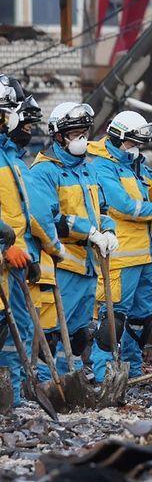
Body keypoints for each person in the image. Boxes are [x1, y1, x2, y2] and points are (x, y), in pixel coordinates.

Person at [27, 102, 119, 379]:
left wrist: (110, 230)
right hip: (62, 264)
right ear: (57, 136)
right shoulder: (43, 172)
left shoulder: (87, 169)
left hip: (89, 264)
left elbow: (101, 209)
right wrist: (89, 231)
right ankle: (48, 381)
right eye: (74, 133)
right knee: (54, 331)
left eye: (83, 132)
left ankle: (75, 377)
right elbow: (47, 220)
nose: (81, 139)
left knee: (79, 334)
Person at [87, 110, 152, 380]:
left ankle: (133, 369)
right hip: (120, 256)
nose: (136, 149)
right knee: (111, 320)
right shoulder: (101, 166)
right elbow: (124, 206)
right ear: (118, 139)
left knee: (141, 320)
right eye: (133, 143)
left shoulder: (134, 163)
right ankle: (103, 372)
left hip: (146, 257)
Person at [0, 77, 59, 400]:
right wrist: (5, 247)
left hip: (15, 262)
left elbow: (21, 215)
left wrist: (26, 256)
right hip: (6, 256)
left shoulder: (10, 158)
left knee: (17, 333)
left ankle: (15, 399)